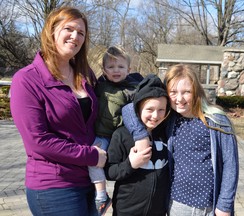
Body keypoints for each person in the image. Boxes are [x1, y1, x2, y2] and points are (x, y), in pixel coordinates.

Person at [10, 6, 107, 216]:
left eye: (81, 33)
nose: (75, 36)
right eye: (69, 29)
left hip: (89, 180)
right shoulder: (26, 80)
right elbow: (38, 141)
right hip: (54, 185)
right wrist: (90, 156)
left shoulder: (85, 75)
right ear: (51, 31)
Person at [122, 64, 239, 216]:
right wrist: (140, 136)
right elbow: (128, 109)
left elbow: (230, 164)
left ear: (196, 91)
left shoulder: (216, 119)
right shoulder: (170, 118)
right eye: (173, 92)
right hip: (176, 204)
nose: (179, 98)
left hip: (208, 207)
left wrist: (225, 204)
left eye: (186, 92)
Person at [88, 46, 143, 215]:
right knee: (94, 158)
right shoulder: (99, 87)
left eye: (120, 67)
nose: (116, 70)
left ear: (129, 69)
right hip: (102, 134)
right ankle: (101, 195)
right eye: (111, 67)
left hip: (121, 136)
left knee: (127, 164)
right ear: (104, 70)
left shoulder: (133, 89)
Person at [105, 74, 170, 216]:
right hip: (127, 210)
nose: (155, 115)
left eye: (161, 110)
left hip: (158, 211)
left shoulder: (167, 134)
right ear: (138, 108)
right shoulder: (121, 135)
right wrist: (130, 164)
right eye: (149, 109)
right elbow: (109, 171)